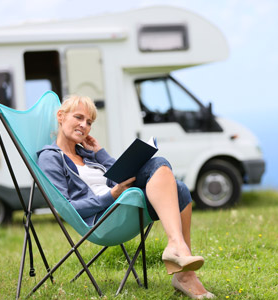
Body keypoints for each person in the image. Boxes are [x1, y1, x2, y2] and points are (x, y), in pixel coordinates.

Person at [37, 95, 215, 299]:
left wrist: (100, 153)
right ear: (61, 116)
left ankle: (185, 274)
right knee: (160, 164)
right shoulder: (50, 157)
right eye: (78, 117)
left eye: (89, 122)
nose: (84, 125)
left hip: (120, 204)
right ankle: (177, 246)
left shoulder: (86, 153)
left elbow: (119, 176)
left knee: (180, 189)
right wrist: (111, 195)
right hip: (102, 220)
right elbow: (67, 207)